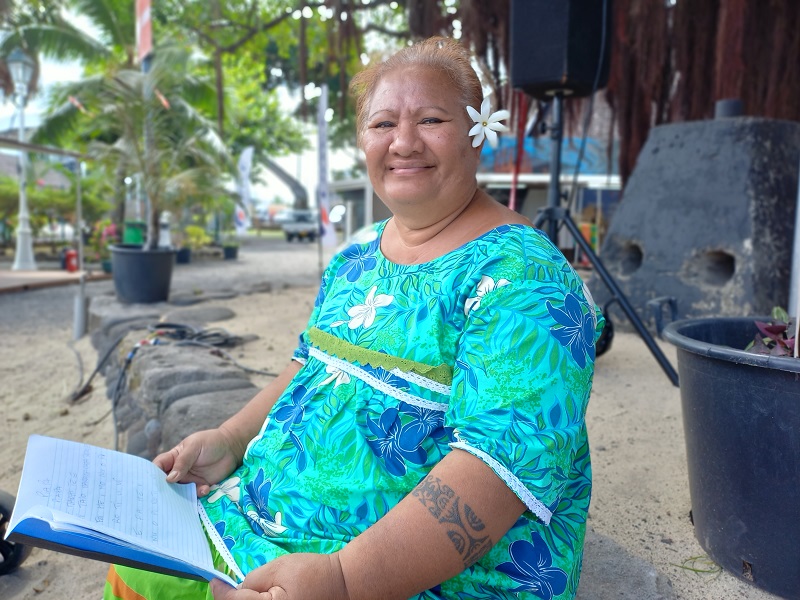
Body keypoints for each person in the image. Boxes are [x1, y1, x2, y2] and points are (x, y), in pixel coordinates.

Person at [105, 36, 604, 600]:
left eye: (432, 119)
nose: (404, 143)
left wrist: (344, 580)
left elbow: (495, 471)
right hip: (275, 522)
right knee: (138, 570)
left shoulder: (525, 277)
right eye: (383, 124)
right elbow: (309, 367)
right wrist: (229, 439)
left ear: (477, 135)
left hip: (416, 570)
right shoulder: (359, 252)